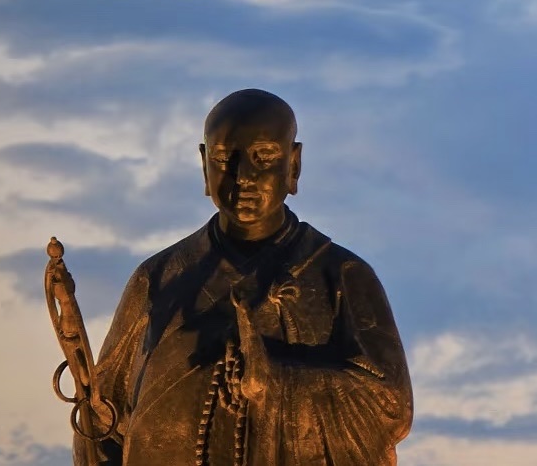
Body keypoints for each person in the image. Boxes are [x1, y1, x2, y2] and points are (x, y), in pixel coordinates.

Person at [77, 89, 412, 465]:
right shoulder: (158, 279)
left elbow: (391, 407)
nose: (244, 177)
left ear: (294, 164)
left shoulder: (341, 275)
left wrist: (278, 381)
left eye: (264, 157)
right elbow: (105, 416)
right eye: (225, 159)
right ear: (205, 165)